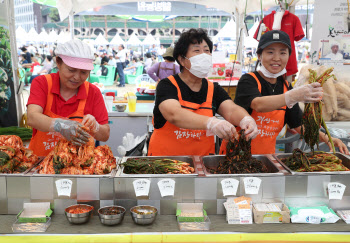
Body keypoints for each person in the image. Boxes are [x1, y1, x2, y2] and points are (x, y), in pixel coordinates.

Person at [219, 30, 349, 155]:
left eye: (282, 53)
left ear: (289, 56)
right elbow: (258, 104)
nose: (276, 58)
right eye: (270, 52)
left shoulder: (286, 86)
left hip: (266, 158)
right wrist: (292, 96)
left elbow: (298, 125)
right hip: (236, 156)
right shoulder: (248, 80)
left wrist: (328, 138)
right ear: (259, 55)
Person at [147, 28, 258, 156]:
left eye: (207, 51)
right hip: (165, 165)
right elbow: (174, 114)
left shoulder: (213, 89)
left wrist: (246, 119)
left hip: (202, 166)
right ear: (182, 60)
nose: (204, 55)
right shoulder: (167, 85)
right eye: (197, 51)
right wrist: (211, 122)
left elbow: (231, 110)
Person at [27, 39, 110, 156]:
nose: (77, 77)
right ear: (59, 63)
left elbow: (105, 135)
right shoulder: (42, 83)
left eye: (84, 72)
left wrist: (95, 126)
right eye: (71, 70)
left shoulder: (93, 92)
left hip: (80, 166)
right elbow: (32, 117)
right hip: (42, 164)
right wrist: (60, 125)